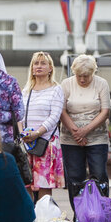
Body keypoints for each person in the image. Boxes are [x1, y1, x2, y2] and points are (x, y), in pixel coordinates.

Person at [60, 54, 111, 211]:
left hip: (97, 137)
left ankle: (102, 213)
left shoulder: (101, 83)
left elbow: (105, 111)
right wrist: (76, 132)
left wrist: (85, 131)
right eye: (79, 75)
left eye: (86, 76)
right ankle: (79, 214)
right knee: (75, 177)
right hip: (70, 138)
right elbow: (61, 111)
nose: (82, 79)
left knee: (99, 175)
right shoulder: (66, 84)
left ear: (93, 73)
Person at [21, 51, 64, 202]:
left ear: (50, 68)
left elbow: (55, 116)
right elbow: (19, 114)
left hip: (46, 142)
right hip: (26, 142)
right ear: (32, 68)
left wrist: (38, 133)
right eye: (36, 63)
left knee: (44, 182)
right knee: (26, 181)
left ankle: (44, 217)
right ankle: (29, 217)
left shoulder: (56, 89)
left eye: (43, 63)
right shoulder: (26, 91)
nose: (39, 66)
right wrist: (22, 134)